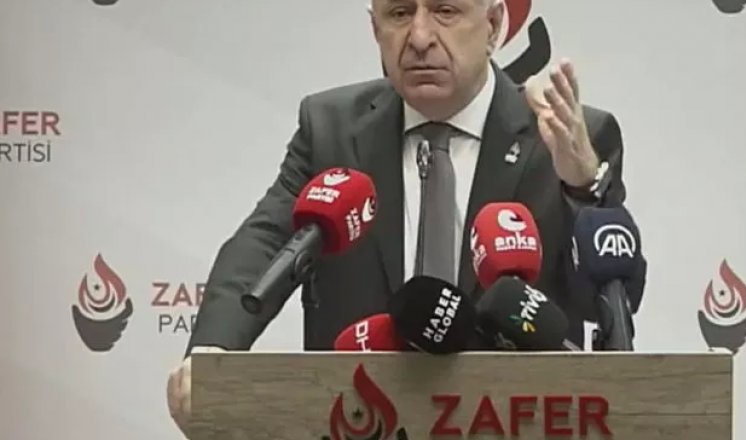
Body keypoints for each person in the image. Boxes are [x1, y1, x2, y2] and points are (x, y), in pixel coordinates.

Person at [167, 0, 638, 434]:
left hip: (517, 423)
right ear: (375, 28)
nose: (419, 37)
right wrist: (213, 351)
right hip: (359, 419)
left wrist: (582, 184)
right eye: (398, 13)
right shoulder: (331, 128)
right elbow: (265, 243)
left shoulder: (565, 134)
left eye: (445, 11)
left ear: (494, 25)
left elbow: (616, 290)